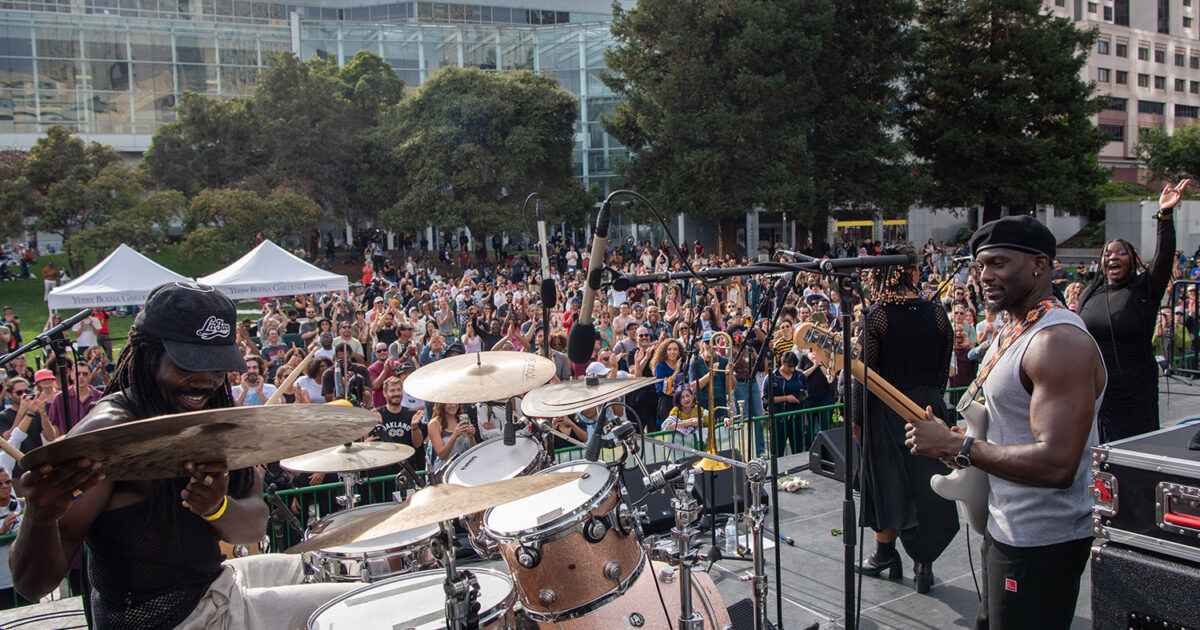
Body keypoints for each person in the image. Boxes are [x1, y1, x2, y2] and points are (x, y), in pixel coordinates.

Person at [10, 281, 359, 629]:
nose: (206, 380)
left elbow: (254, 525)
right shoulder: (105, 439)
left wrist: (217, 506)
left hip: (210, 588)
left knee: (326, 566)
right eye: (189, 364)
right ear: (147, 351)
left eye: (217, 366)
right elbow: (32, 585)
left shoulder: (211, 415)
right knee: (353, 605)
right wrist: (38, 518)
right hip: (182, 621)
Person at [907, 216, 1105, 629]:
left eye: (998, 263)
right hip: (1006, 525)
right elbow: (1009, 427)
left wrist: (956, 447)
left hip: (1041, 541)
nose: (983, 276)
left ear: (1039, 264)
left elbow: (1057, 464)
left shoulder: (1057, 342)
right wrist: (962, 440)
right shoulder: (1013, 329)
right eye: (980, 266)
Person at [853, 246, 958, 595]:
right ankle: (923, 564)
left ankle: (885, 554)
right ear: (913, 272)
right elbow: (944, 366)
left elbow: (863, 373)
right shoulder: (937, 313)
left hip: (887, 409)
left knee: (886, 482)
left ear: (883, 273)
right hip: (929, 407)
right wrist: (931, 400)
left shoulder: (878, 315)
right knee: (926, 486)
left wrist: (855, 416)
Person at [1078, 180, 1188, 442]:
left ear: (1133, 260)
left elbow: (1163, 256)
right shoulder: (1089, 294)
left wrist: (1165, 215)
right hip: (1095, 388)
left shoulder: (1143, 290)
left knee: (1132, 450)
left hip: (1134, 388)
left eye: (1121, 253)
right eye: (1108, 254)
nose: (1113, 257)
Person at [369, 374, 426, 475]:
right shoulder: (377, 414)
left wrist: (414, 426)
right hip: (384, 471)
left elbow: (417, 444)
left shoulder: (411, 414)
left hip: (407, 469)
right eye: (392, 390)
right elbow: (369, 443)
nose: (396, 393)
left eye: (399, 390)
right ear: (384, 393)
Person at [427, 402, 477, 473]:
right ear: (441, 404)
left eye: (455, 402)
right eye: (449, 403)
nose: (453, 405)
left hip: (465, 467)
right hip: (446, 470)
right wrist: (454, 435)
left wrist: (471, 437)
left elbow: (473, 450)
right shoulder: (434, 424)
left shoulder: (464, 419)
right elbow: (442, 455)